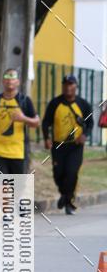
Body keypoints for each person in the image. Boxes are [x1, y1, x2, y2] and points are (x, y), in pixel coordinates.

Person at [0, 68, 40, 202]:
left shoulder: (24, 101)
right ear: (3, 81)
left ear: (18, 82)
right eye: (7, 77)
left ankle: (13, 211)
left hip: (18, 151)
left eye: (12, 78)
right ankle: (6, 214)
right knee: (1, 185)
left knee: (18, 187)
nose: (9, 81)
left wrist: (24, 118)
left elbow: (36, 122)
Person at [42, 74, 93, 215]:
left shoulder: (83, 104)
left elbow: (90, 123)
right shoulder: (55, 103)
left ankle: (68, 202)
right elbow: (46, 122)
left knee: (71, 172)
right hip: (58, 145)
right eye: (65, 84)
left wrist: (84, 135)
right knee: (58, 174)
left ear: (76, 86)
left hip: (75, 146)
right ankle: (65, 195)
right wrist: (46, 138)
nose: (68, 87)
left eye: (71, 84)